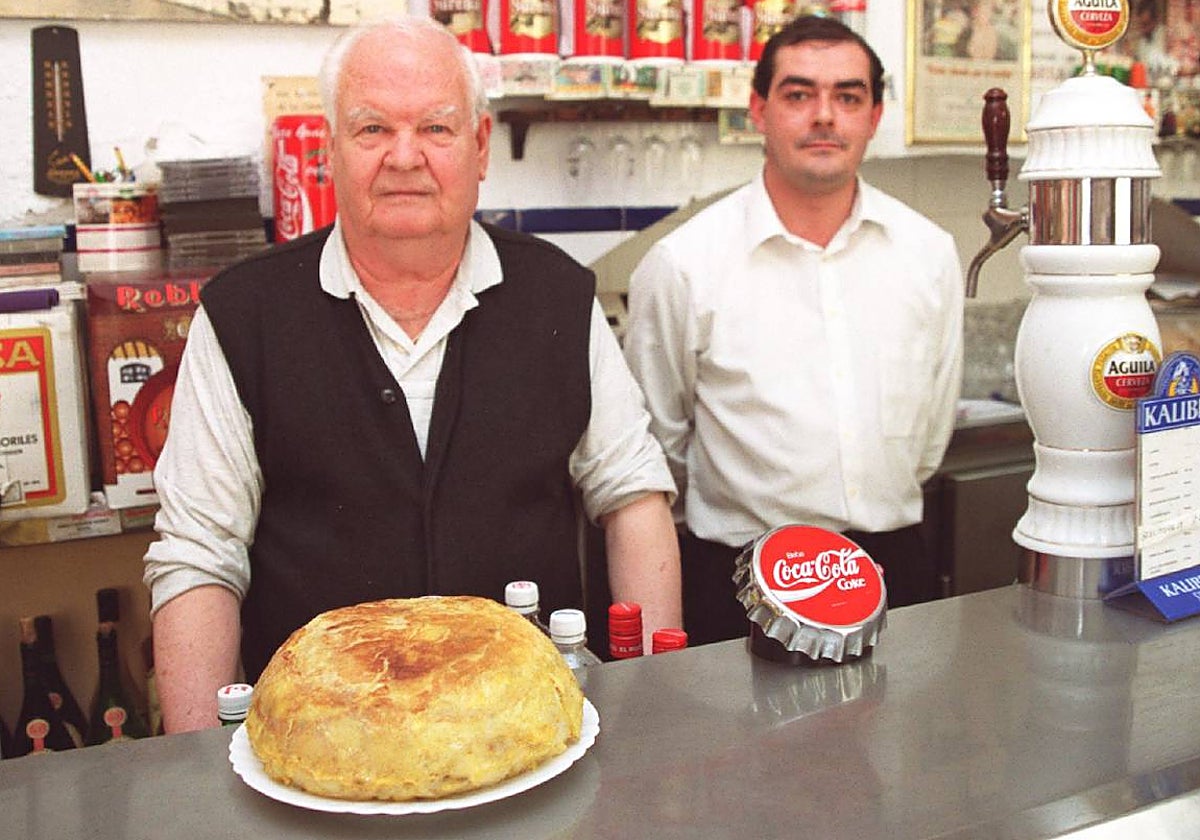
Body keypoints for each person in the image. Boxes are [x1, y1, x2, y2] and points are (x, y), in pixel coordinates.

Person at [144, 15, 682, 732]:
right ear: (330, 150)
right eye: (371, 130)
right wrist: (198, 771)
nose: (404, 157)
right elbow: (198, 557)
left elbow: (633, 499)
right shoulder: (244, 315)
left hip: (531, 736)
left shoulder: (556, 294)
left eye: (436, 128)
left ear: (481, 147)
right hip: (320, 749)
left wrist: (648, 703)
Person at [623, 15, 963, 646]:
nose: (825, 116)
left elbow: (930, 435)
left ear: (874, 114)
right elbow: (657, 449)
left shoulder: (928, 253)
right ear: (759, 109)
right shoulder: (683, 265)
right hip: (740, 588)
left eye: (848, 96)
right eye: (799, 94)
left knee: (897, 746)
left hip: (894, 574)